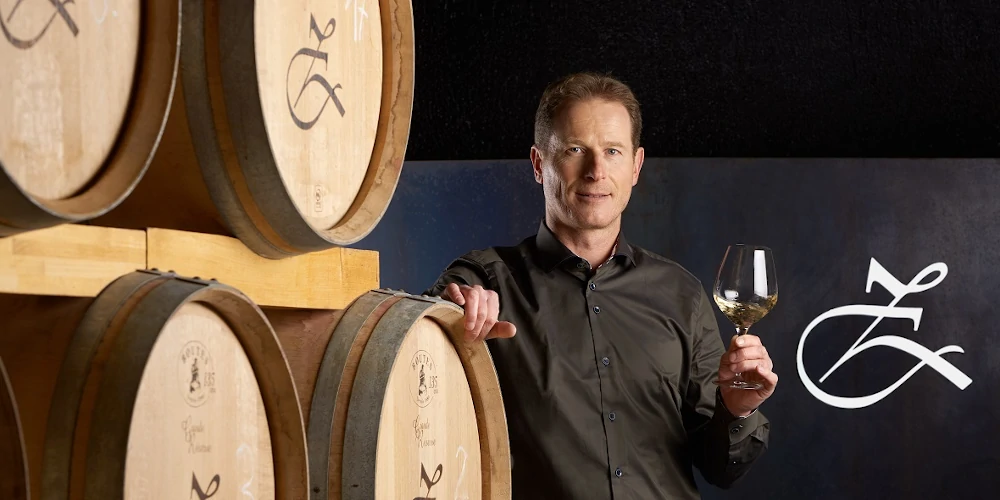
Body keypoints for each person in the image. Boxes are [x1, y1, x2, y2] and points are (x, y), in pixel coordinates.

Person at [424, 72, 776, 499]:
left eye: (612, 151)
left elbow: (720, 468)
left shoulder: (680, 293)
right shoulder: (486, 279)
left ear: (636, 166)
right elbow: (417, 351)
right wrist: (445, 317)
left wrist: (738, 410)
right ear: (539, 164)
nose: (596, 171)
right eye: (575, 150)